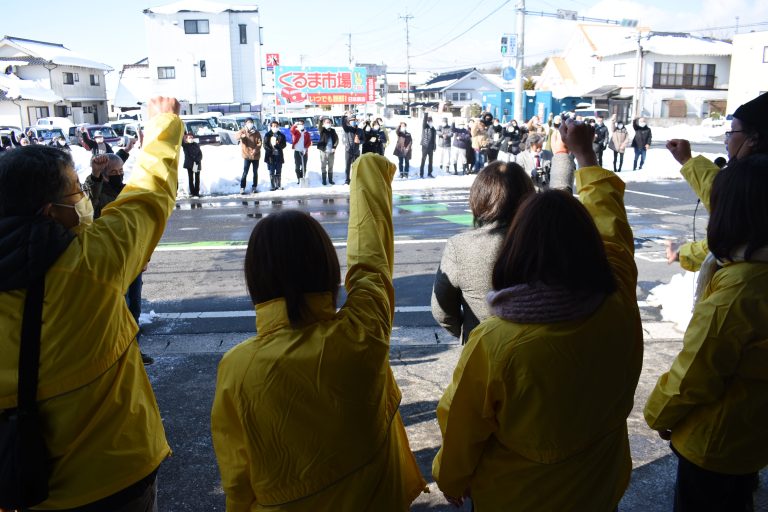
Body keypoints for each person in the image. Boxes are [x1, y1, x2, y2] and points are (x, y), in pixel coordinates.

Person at [432, 119, 643, 511]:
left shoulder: (496, 344)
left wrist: (450, 477)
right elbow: (611, 223)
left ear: (518, 248)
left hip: (518, 496)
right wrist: (584, 155)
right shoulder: (618, 298)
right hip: (600, 484)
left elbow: (462, 428)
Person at [211, 153, 427, 511]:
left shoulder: (237, 369)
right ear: (327, 267)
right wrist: (368, 169)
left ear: (255, 279)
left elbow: (237, 475)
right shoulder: (362, 333)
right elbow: (372, 264)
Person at [0, 96, 181, 510]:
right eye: (78, 191)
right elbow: (149, 197)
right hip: (114, 476)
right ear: (51, 212)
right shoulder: (94, 261)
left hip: (19, 486)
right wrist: (164, 124)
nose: (84, 199)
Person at [644, 153, 768, 512]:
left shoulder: (736, 292)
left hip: (715, 438)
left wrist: (659, 415)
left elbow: (696, 371)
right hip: (753, 430)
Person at [431, 161, 534, 344]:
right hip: (538, 350)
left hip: (481, 349)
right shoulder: (544, 241)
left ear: (479, 197)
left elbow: (442, 310)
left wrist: (467, 333)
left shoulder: (460, 246)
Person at [664, 92, 768, 270]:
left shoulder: (754, 184)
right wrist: (688, 161)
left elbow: (730, 237)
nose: (726, 141)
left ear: (753, 138)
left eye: (732, 132)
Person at [83, 153, 155, 365]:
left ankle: (133, 350)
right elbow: (88, 205)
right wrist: (95, 175)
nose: (118, 175)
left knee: (134, 308)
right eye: (113, 173)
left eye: (121, 172)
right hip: (111, 260)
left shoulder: (127, 191)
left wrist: (145, 255)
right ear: (104, 176)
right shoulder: (96, 192)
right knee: (118, 308)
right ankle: (117, 352)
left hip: (132, 258)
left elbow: (140, 226)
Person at [237, 118, 262, 194]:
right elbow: (237, 137)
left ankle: (254, 186)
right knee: (245, 172)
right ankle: (242, 187)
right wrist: (242, 136)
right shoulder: (243, 131)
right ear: (245, 123)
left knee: (255, 172)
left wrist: (255, 150)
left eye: (251, 122)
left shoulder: (256, 132)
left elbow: (260, 143)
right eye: (248, 122)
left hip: (255, 156)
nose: (250, 124)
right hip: (247, 155)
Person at [263, 121, 287, 191]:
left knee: (279, 170)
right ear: (271, 127)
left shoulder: (281, 135)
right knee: (271, 171)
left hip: (278, 155)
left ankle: (278, 185)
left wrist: (278, 145)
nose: (275, 127)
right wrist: (270, 149)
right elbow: (264, 145)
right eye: (273, 126)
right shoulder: (267, 135)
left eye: (276, 126)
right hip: (270, 156)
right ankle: (273, 186)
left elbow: (284, 145)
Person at [341, 112, 363, 184]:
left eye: (354, 120)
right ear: (349, 121)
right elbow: (343, 124)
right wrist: (344, 116)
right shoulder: (348, 129)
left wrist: (360, 141)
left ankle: (355, 179)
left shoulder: (360, 130)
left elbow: (364, 140)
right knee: (347, 166)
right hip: (348, 150)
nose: (353, 121)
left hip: (356, 151)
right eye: (351, 120)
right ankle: (347, 180)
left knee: (356, 166)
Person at [290, 120, 312, 185]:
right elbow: (291, 130)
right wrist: (294, 125)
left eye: (302, 124)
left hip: (304, 151)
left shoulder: (306, 133)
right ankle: (299, 178)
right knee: (297, 166)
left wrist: (306, 148)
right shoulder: (296, 132)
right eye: (299, 124)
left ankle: (303, 178)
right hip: (297, 151)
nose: (301, 125)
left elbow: (309, 142)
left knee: (304, 166)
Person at [317, 117, 338, 185]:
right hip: (323, 151)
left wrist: (334, 147)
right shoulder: (322, 130)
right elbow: (319, 127)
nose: (328, 123)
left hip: (331, 151)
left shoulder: (333, 130)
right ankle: (324, 180)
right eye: (327, 122)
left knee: (330, 166)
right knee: (323, 165)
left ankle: (330, 179)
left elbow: (337, 140)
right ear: (324, 123)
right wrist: (320, 120)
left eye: (329, 122)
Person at [182, 132, 203, 197]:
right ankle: (192, 192)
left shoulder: (196, 145)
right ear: (187, 139)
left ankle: (196, 192)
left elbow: (200, 154)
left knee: (197, 178)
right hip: (189, 164)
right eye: (189, 137)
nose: (191, 138)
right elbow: (182, 142)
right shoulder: (186, 146)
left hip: (196, 163)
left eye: (191, 137)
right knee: (191, 179)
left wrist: (197, 160)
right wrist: (183, 135)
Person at [420, 113, 437, 178]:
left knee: (430, 161)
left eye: (431, 121)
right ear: (427, 122)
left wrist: (434, 146)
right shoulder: (425, 127)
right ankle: (421, 174)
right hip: (425, 146)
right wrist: (426, 114)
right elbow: (424, 121)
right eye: (429, 121)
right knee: (423, 160)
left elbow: (434, 139)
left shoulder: (433, 129)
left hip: (431, 147)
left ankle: (430, 173)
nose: (430, 122)